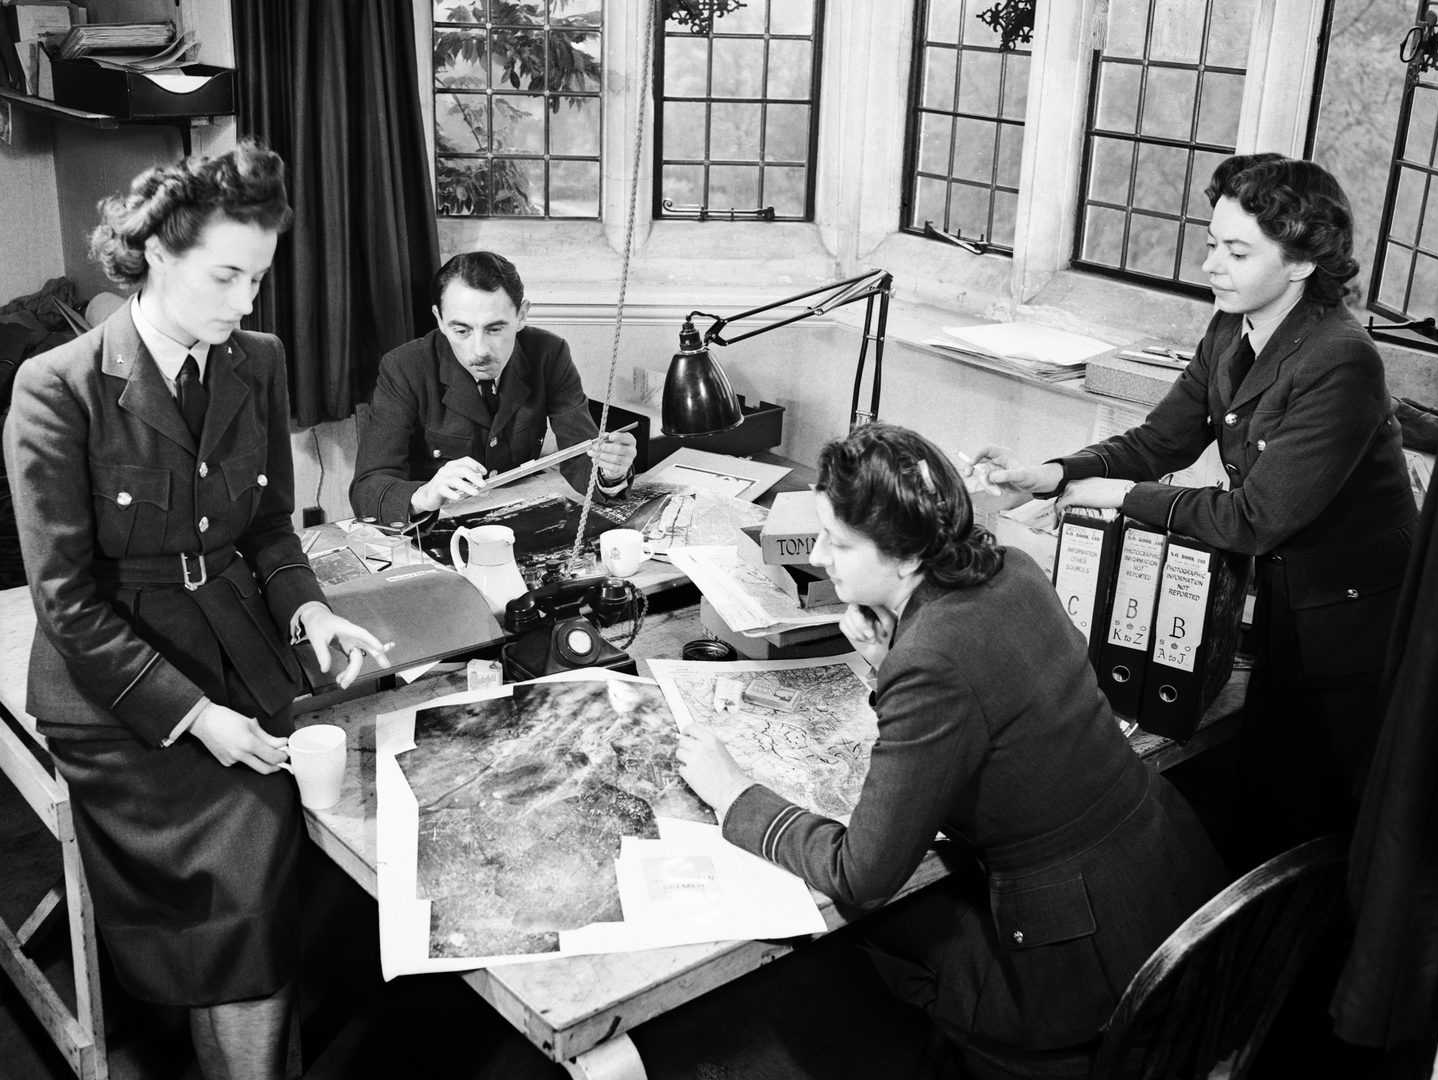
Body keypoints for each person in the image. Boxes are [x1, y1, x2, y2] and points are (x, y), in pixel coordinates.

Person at [4, 141, 391, 1080]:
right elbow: (66, 603)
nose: (245, 303)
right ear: (157, 252)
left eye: (257, 278)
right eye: (226, 276)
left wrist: (309, 612)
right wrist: (195, 716)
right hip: (120, 695)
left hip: (237, 643)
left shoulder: (256, 359)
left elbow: (269, 526)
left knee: (351, 800)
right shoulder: (58, 386)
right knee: (247, 854)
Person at [677, 423, 1228, 1068]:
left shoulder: (931, 659)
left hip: (1083, 965)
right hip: (1170, 885)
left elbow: (862, 875)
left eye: (839, 542)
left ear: (907, 555)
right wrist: (890, 660)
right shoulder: (1013, 568)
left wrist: (735, 793)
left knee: (851, 937)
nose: (820, 557)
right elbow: (989, 690)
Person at [967, 154, 1418, 871]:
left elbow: (1253, 518)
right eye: (1212, 243)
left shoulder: (1341, 359)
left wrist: (1118, 496)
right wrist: (1056, 474)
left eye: (1237, 252)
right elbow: (1159, 441)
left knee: (1313, 835)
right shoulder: (1231, 328)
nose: (1211, 265)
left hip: (1351, 631)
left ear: (1302, 264)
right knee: (1258, 808)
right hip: (1283, 607)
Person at [349, 250, 637, 525]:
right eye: (461, 330)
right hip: (433, 527)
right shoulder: (404, 367)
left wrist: (610, 473)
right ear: (439, 320)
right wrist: (424, 496)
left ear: (521, 315)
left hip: (519, 517)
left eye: (495, 329)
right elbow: (367, 488)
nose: (480, 351)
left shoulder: (549, 354)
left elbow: (581, 456)